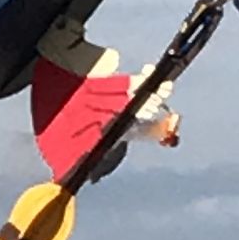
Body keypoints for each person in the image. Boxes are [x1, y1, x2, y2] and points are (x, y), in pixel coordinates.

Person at [28, 15, 180, 184]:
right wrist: (133, 90)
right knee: (107, 63)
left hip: (86, 140)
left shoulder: (60, 78)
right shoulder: (60, 78)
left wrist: (156, 128)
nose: (80, 32)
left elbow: (105, 111)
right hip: (82, 145)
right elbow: (94, 100)